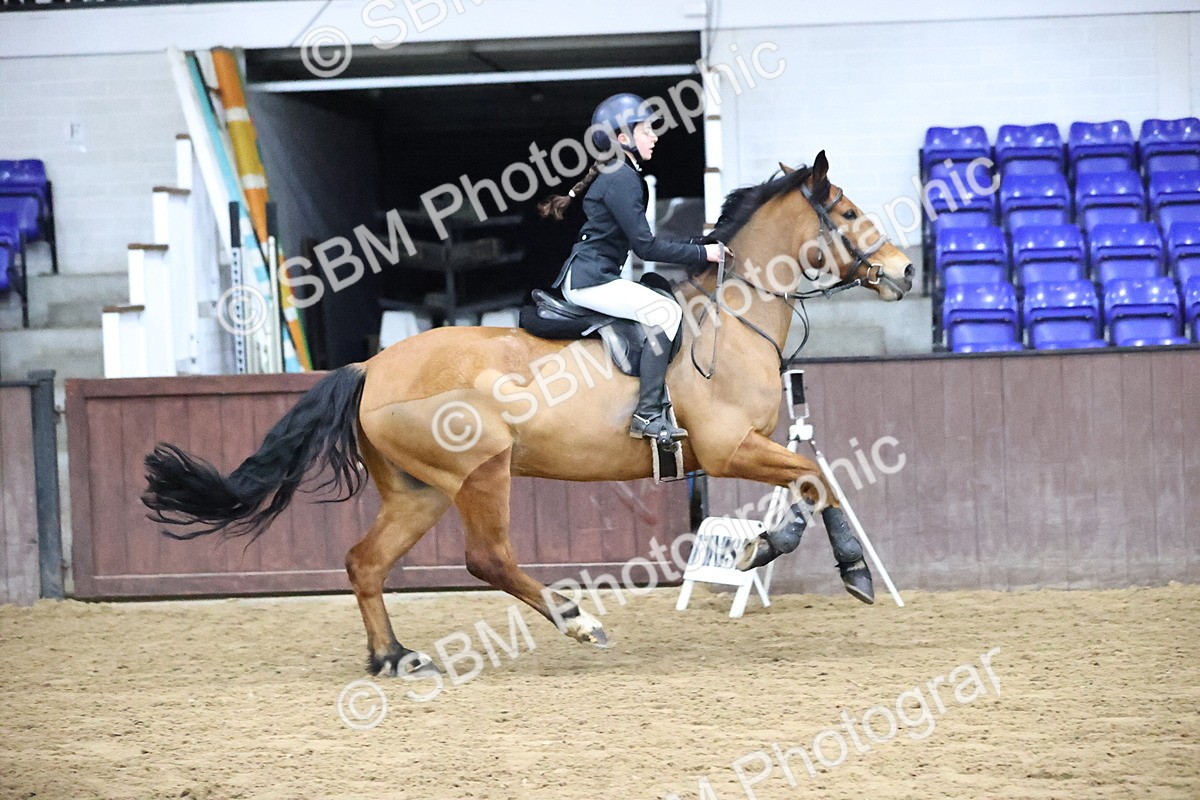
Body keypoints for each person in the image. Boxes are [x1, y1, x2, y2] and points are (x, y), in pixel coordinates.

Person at [538, 93, 723, 442]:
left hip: (595, 275)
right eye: (646, 130)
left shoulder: (620, 173)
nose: (654, 136)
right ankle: (648, 413)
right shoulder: (621, 177)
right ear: (623, 138)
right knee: (666, 312)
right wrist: (704, 254)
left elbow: (645, 240)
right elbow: (646, 246)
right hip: (590, 280)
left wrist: (701, 245)